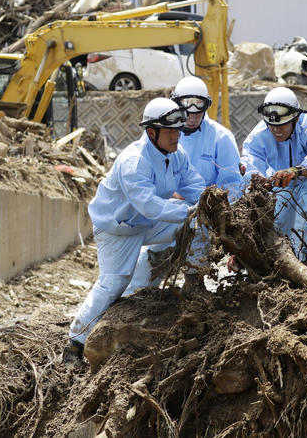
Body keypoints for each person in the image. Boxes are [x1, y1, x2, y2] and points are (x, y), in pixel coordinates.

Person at [65, 98, 206, 363]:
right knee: (113, 283)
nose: (176, 136)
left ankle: (194, 287)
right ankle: (75, 343)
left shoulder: (177, 155)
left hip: (147, 223)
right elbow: (149, 205)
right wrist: (188, 210)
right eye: (170, 131)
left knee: (194, 225)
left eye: (177, 130)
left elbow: (195, 186)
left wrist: (210, 201)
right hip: (118, 228)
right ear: (151, 132)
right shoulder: (134, 161)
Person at [124, 76, 241, 295]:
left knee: (198, 230)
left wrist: (219, 214)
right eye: (187, 107)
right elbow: (145, 176)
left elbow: (233, 185)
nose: (192, 116)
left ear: (206, 106)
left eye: (199, 108)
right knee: (149, 262)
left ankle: (194, 285)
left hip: (204, 213)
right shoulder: (157, 134)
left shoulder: (221, 138)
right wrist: (170, 196)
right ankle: (136, 295)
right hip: (164, 210)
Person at [241, 86, 307, 260]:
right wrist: (257, 177)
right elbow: (250, 158)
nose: (276, 130)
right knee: (277, 226)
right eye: (272, 125)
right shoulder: (260, 133)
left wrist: (295, 171)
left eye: (282, 124)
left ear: (296, 118)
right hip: (281, 184)